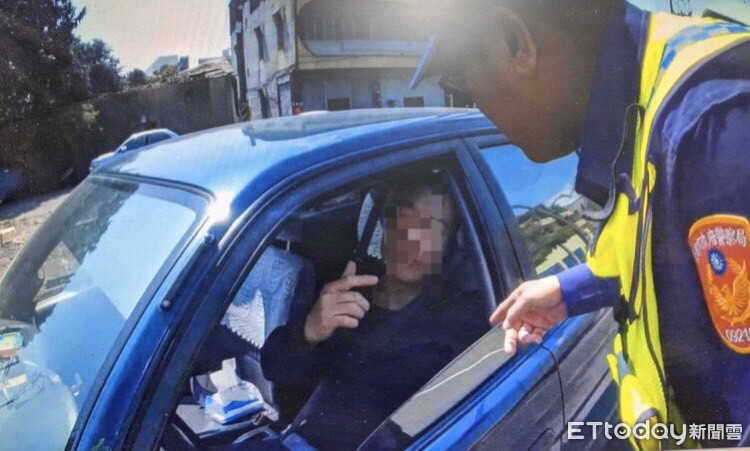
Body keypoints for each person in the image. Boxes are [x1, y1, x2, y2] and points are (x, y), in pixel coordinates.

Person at [410, 0, 749, 448]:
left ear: (515, 43)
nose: (476, 106)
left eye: (461, 84)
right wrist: (568, 291)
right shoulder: (641, 112)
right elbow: (661, 259)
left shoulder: (712, 125)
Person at [260, 176, 488, 450]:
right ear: (386, 226)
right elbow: (275, 370)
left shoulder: (458, 321)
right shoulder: (344, 292)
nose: (411, 237)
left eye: (431, 228)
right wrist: (310, 331)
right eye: (404, 217)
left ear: (448, 246)